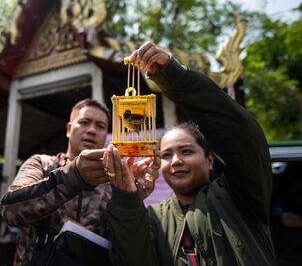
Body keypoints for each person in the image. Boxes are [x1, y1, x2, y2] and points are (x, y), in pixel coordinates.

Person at [104, 42, 277, 265]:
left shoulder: (240, 196)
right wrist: (127, 198)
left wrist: (174, 76)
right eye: (166, 155)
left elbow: (239, 132)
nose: (176, 161)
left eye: (186, 151)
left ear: (210, 159)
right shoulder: (153, 219)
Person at [0, 98, 111, 265]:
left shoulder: (110, 183)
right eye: (84, 122)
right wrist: (73, 177)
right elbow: (10, 211)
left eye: (100, 126)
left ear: (106, 135)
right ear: (68, 129)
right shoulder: (43, 164)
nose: (92, 130)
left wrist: (132, 198)